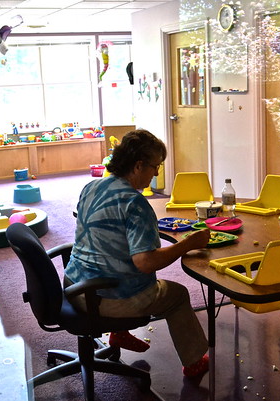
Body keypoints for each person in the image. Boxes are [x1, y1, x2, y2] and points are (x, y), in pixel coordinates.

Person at [64, 129, 213, 378]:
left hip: (76, 285)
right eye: (155, 166)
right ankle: (194, 361)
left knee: (119, 267)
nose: (156, 173)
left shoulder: (92, 186)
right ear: (138, 166)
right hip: (107, 298)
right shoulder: (135, 203)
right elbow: (145, 262)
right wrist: (187, 244)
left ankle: (119, 333)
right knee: (177, 294)